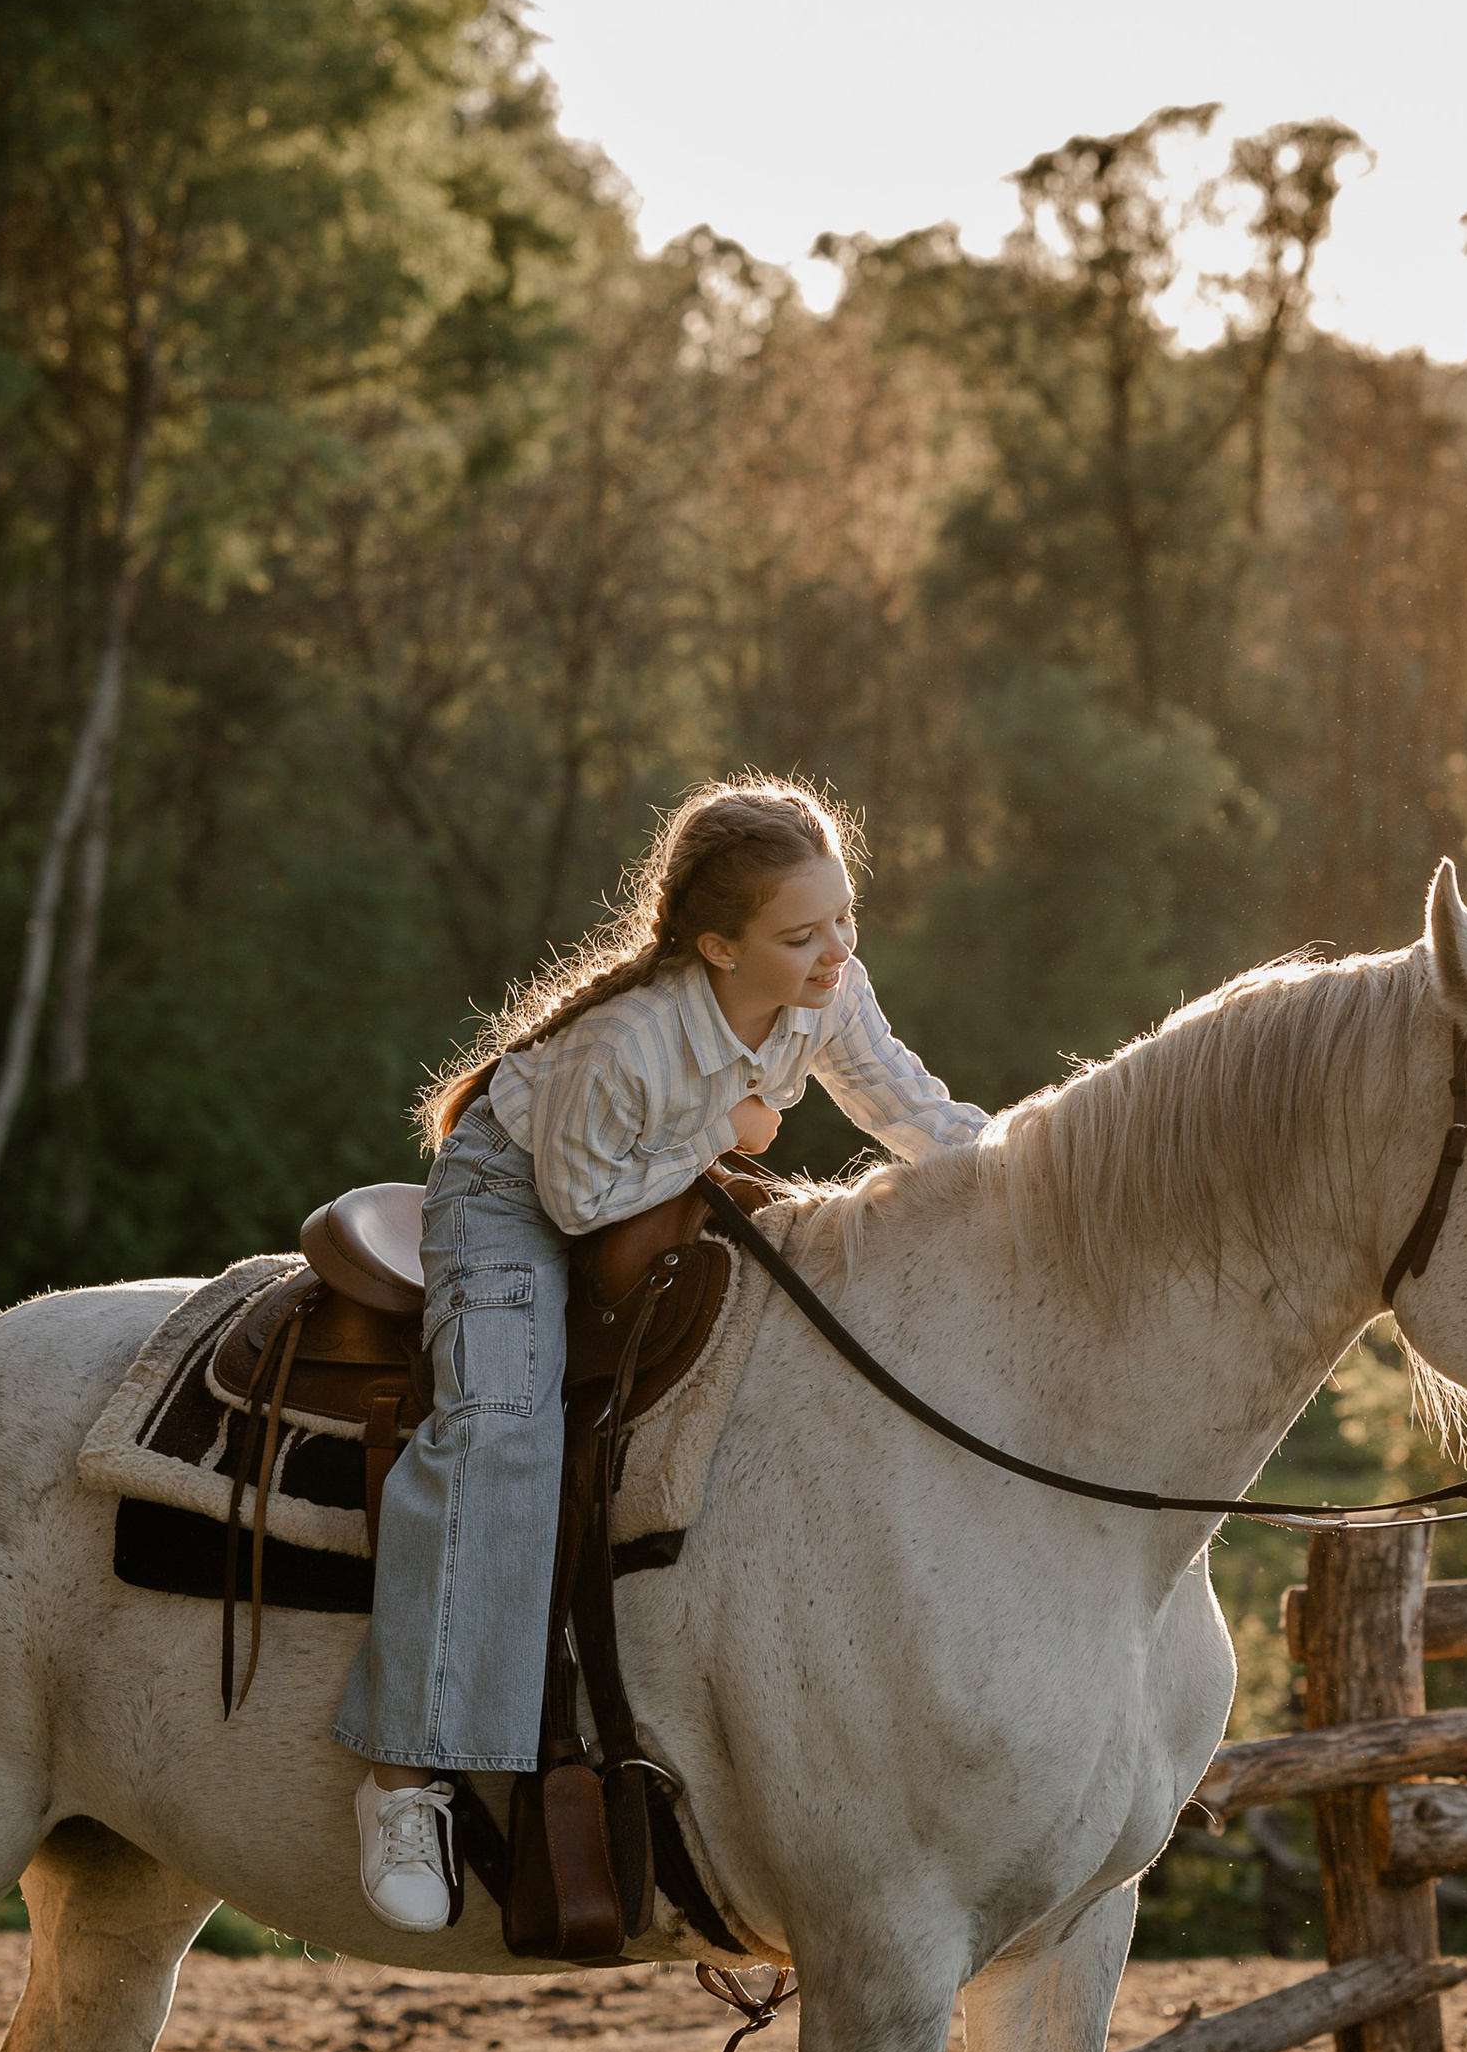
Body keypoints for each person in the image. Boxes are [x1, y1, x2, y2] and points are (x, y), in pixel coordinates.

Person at [335, 776, 989, 1928]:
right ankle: (402, 1771)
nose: (836, 948)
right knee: (498, 1424)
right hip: (519, 1195)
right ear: (716, 944)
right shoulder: (634, 1037)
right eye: (802, 933)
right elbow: (580, 1199)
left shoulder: (826, 988)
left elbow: (907, 1105)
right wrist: (726, 1128)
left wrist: (1031, 1174)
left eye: (845, 917)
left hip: (656, 1174)